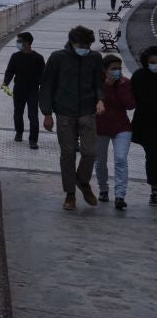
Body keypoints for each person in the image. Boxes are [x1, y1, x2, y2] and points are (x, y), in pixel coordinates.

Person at [41, 25, 106, 210]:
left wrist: (101, 100)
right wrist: (47, 113)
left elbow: (98, 84)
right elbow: (47, 86)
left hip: (87, 111)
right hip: (64, 112)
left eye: (87, 45)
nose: (84, 48)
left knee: (90, 152)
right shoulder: (57, 58)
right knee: (68, 153)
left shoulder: (94, 58)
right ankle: (70, 194)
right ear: (71, 42)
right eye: (80, 44)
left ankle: (83, 182)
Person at [95, 54, 136, 209]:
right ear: (105, 71)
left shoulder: (125, 83)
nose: (117, 71)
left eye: (119, 68)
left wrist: (120, 88)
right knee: (100, 161)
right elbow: (97, 102)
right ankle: (103, 189)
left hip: (121, 127)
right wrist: (107, 87)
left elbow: (130, 105)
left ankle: (120, 195)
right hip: (100, 127)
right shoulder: (98, 84)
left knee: (120, 159)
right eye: (113, 69)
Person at [3, 31, 45, 148]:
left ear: (27, 42)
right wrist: (5, 83)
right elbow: (10, 71)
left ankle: (33, 140)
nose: (17, 43)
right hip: (19, 89)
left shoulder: (38, 58)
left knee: (33, 115)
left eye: (19, 41)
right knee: (18, 113)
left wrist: (44, 88)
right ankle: (19, 133)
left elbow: (43, 76)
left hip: (33, 90)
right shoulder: (15, 57)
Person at [131, 45, 157, 206]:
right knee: (153, 157)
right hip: (147, 124)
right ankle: (154, 189)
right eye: (152, 62)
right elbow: (139, 99)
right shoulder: (140, 76)